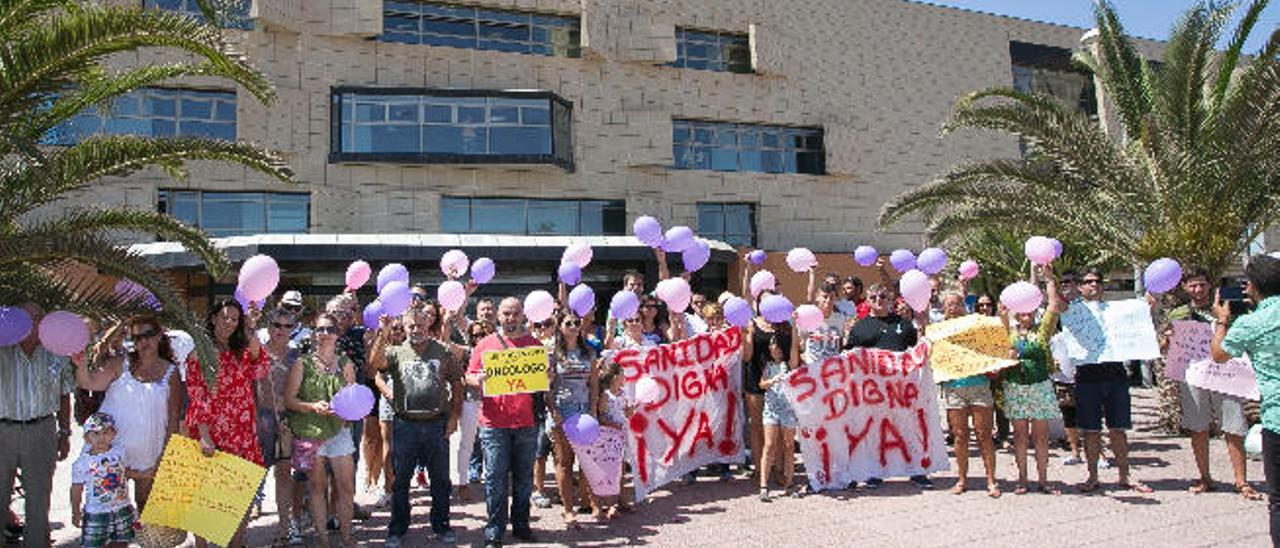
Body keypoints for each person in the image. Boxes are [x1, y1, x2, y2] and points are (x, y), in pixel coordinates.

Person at [1162, 266, 1261, 499]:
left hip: (1227, 375)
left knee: (1234, 427)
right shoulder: (1177, 314)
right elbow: (1164, 348)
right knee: (1198, 427)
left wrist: (1223, 321)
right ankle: (1205, 477)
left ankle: (1241, 481)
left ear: (1210, 285)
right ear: (1185, 288)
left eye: (1202, 285)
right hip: (1194, 376)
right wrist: (1167, 341)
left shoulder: (1231, 309)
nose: (1198, 290)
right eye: (1193, 285)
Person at [369, 306, 464, 547]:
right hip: (405, 425)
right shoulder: (396, 351)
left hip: (436, 425)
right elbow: (373, 367)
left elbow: (457, 381)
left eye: (420, 326)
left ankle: (442, 525)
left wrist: (454, 416)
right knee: (400, 480)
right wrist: (383, 331)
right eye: (411, 326)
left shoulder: (442, 350)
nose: (416, 330)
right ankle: (397, 529)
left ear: (427, 326)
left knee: (441, 480)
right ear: (405, 327)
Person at [76, 315, 182, 512]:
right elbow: (88, 383)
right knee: (111, 512)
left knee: (147, 513)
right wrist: (81, 362)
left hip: (151, 454)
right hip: (111, 453)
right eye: (137, 337)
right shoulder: (119, 364)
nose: (143, 341)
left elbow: (174, 417)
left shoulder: (171, 372)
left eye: (148, 334)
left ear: (159, 336)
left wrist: (166, 456)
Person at [185, 298, 266, 547]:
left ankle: (236, 543)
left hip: (242, 432)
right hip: (212, 431)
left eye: (234, 318)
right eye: (224, 317)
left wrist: (250, 328)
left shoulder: (240, 349)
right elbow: (197, 394)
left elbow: (260, 366)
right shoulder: (199, 351)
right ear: (212, 318)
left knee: (239, 495)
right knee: (205, 497)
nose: (229, 323)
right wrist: (205, 435)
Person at [1211, 254, 1280, 544]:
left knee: (1278, 500)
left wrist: (1222, 322)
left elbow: (1219, 354)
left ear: (1251, 286)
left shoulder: (1251, 324)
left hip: (1277, 420)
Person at [466, 297, 546, 548]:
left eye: (515, 314)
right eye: (506, 314)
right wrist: (477, 380)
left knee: (524, 479)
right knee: (495, 479)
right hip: (493, 423)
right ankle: (494, 531)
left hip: (526, 422)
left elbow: (543, 381)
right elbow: (468, 375)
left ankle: (521, 526)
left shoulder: (534, 345)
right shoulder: (485, 345)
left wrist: (548, 376)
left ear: (523, 315)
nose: (510, 318)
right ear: (498, 316)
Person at [843, 281, 931, 490]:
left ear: (890, 300)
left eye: (883, 297)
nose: (878, 301)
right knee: (874, 432)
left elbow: (915, 352)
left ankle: (917, 471)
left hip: (901, 391)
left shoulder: (904, 324)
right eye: (873, 298)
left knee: (909, 429)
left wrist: (924, 330)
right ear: (868, 301)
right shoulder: (859, 326)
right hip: (872, 393)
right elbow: (849, 356)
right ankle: (874, 472)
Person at [1070, 268, 1151, 494]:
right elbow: (1055, 303)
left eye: (1097, 281)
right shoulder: (1073, 312)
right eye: (1088, 281)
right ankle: (1092, 476)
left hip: (1115, 376)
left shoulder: (1116, 310)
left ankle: (1125, 476)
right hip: (1087, 378)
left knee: (1118, 430)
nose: (1093, 285)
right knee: (1091, 431)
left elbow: (1143, 312)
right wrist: (1046, 277)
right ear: (1080, 286)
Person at [0, 303, 73, 548]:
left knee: (39, 498)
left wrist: (65, 433)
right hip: (3, 430)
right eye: (27, 317)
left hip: (42, 430)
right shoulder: (2, 351)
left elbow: (64, 396)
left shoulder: (56, 354)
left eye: (38, 317)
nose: (34, 322)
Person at [285, 313, 357, 548]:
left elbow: (354, 399)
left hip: (339, 432)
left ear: (337, 334)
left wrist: (343, 411)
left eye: (329, 329)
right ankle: (323, 541)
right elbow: (289, 400)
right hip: (310, 432)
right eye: (320, 329)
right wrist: (312, 406)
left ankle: (346, 538)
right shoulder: (301, 363)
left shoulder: (346, 364)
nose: (324, 334)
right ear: (314, 334)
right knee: (316, 487)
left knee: (346, 486)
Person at [1000, 269, 1063, 495]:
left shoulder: (1042, 330)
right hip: (1015, 386)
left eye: (1030, 311)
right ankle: (1022, 479)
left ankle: (1044, 480)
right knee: (1019, 436)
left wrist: (1048, 279)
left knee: (1041, 436)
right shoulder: (1009, 331)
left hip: (1039, 386)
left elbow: (1054, 306)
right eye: (1022, 312)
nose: (1026, 315)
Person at [937, 290, 999, 497]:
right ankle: (962, 479)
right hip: (954, 387)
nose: (953, 308)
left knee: (984, 435)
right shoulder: (940, 331)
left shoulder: (976, 325)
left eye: (956, 304)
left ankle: (991, 480)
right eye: (949, 305)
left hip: (979, 384)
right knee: (960, 435)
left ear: (964, 306)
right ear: (944, 309)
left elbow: (991, 347)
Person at [546, 310, 600, 528]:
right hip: (561, 411)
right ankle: (568, 510)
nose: (574, 326)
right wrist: (552, 410)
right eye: (568, 323)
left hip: (584, 412)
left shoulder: (588, 352)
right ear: (560, 327)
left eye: (576, 323)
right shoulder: (551, 354)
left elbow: (594, 383)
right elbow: (546, 387)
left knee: (587, 461)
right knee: (564, 462)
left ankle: (589, 502)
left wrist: (594, 409)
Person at [258, 308, 305, 544]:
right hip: (259, 419)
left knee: (284, 472)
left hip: (287, 419)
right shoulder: (256, 352)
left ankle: (284, 527)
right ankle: (237, 531)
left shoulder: (297, 356)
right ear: (269, 326)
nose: (281, 330)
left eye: (287, 326)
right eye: (277, 325)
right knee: (253, 474)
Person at [70, 412, 134, 548]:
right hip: (96, 512)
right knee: (96, 544)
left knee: (121, 542)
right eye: (95, 434)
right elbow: (76, 488)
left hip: (121, 507)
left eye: (105, 432)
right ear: (87, 438)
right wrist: (75, 511)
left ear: (114, 434)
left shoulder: (119, 453)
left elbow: (126, 472)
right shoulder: (82, 463)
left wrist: (145, 474)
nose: (101, 438)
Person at [454, 320, 496, 501]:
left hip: (494, 403)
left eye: (483, 334)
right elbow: (463, 376)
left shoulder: (499, 353)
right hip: (471, 402)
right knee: (467, 443)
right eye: (475, 335)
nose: (479, 338)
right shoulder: (468, 352)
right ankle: (463, 483)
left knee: (493, 445)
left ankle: (493, 484)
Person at [760, 333, 799, 501]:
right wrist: (771, 381)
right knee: (769, 445)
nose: (771, 347)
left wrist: (795, 328)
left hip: (788, 410)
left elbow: (795, 348)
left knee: (789, 446)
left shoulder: (790, 365)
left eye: (774, 344)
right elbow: (761, 384)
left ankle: (789, 483)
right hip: (771, 409)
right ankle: (763, 486)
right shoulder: (768, 365)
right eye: (770, 345)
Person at [372, 316, 405, 510]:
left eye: (401, 328)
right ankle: (387, 488)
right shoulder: (383, 348)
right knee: (389, 447)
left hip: (410, 403)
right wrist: (389, 394)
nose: (398, 331)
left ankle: (402, 488)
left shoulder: (413, 347)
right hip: (389, 400)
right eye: (394, 328)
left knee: (406, 448)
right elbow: (376, 373)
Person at [1052, 270, 1084, 465]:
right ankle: (1075, 451)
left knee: (1091, 414)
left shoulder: (1086, 308)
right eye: (1062, 282)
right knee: (1068, 415)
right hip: (1062, 372)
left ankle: (1100, 455)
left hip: (1086, 369)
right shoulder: (1054, 309)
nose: (1066, 285)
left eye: (1070, 281)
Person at [594, 361, 633, 517]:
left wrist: (630, 411)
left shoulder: (623, 394)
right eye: (623, 374)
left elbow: (625, 412)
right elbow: (601, 415)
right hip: (608, 436)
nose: (625, 377)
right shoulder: (606, 395)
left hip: (621, 435)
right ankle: (609, 504)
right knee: (609, 469)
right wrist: (611, 424)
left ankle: (621, 500)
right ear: (615, 377)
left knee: (620, 469)